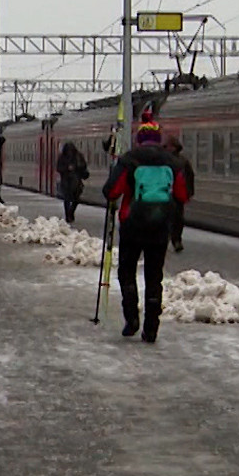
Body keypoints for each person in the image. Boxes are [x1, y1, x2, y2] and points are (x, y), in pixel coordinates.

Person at [101, 121, 189, 342]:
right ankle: (151, 328)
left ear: (138, 139)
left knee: (127, 273)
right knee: (154, 277)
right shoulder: (172, 162)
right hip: (160, 227)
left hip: (132, 225)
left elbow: (111, 191)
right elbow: (183, 194)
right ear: (158, 139)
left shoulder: (130, 159)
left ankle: (131, 319)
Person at [164, 133, 197, 252]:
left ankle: (168, 239)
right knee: (178, 218)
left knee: (166, 218)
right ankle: (176, 240)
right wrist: (189, 192)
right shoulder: (183, 160)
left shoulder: (164, 159)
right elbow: (190, 176)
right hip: (178, 195)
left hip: (166, 193)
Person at [55, 141, 89, 223]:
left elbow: (58, 168)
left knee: (71, 199)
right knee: (72, 199)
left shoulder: (69, 157)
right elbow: (59, 168)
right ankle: (69, 214)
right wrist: (67, 169)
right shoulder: (77, 156)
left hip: (73, 181)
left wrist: (76, 168)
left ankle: (69, 213)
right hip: (68, 182)